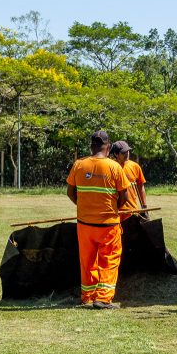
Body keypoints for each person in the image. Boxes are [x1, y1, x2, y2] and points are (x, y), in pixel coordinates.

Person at [66, 130, 131, 309]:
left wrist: (84, 207)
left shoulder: (79, 165)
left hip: (85, 224)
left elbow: (70, 192)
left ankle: (87, 297)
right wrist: (111, 209)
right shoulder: (114, 167)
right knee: (109, 259)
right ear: (108, 147)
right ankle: (103, 298)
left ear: (91, 146)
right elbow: (124, 196)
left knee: (87, 261)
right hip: (108, 224)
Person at [110, 140, 147, 220]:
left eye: (128, 151)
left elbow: (141, 187)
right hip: (115, 212)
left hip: (132, 211)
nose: (127, 154)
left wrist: (144, 207)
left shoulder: (135, 166)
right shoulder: (110, 167)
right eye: (123, 153)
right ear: (116, 154)